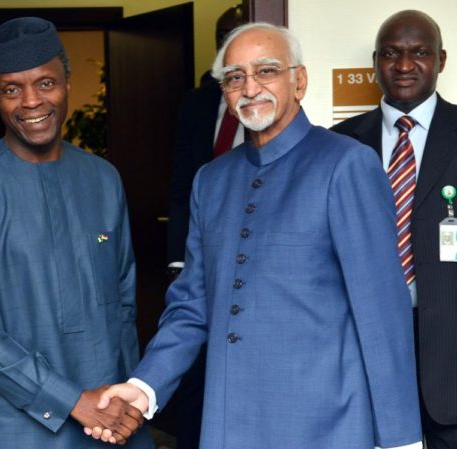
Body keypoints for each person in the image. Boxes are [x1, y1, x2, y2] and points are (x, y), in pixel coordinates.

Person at [91, 22, 423, 449]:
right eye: (234, 77)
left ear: (298, 81)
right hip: (230, 422)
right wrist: (145, 385)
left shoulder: (346, 165)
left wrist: (400, 438)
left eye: (266, 71)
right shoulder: (211, 180)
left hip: (328, 422)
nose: (250, 88)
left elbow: (382, 312)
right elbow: (192, 305)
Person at [0, 17, 152, 449]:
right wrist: (72, 399)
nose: (31, 102)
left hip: (107, 422)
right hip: (10, 427)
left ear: (67, 83)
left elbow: (124, 305)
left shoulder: (104, 179)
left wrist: (129, 402)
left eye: (46, 83)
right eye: (12, 89)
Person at [331, 10, 457, 449]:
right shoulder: (338, 144)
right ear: (375, 62)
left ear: (441, 59)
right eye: (391, 54)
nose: (404, 66)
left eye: (419, 53)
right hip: (363, 352)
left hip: (451, 359)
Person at [164, 7, 245, 449]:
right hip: (201, 251)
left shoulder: (268, 103)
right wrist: (179, 260)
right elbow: (180, 184)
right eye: (222, 36)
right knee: (196, 365)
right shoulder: (198, 102)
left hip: (246, 252)